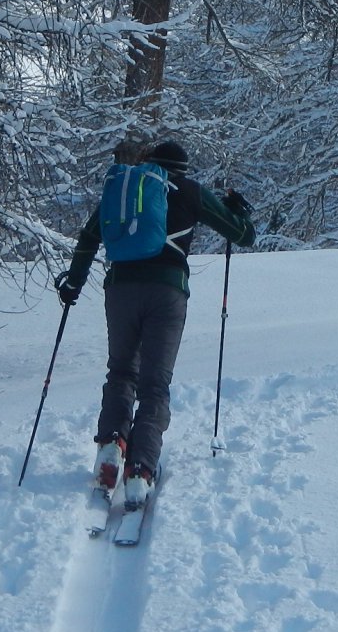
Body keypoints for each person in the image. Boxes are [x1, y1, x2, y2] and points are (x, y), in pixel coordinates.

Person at [54, 138, 255, 503]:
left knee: (121, 371)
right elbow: (243, 235)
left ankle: (111, 445)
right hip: (168, 290)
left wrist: (74, 282)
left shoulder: (127, 189)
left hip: (120, 288)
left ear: (149, 162)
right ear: (183, 168)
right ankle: (140, 470)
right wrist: (237, 211)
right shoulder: (189, 190)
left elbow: (89, 236)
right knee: (155, 384)